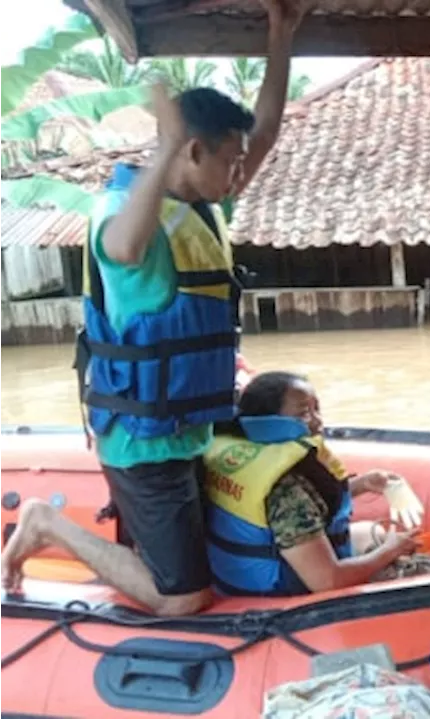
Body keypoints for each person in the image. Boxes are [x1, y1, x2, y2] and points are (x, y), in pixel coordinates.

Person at [0, 0, 302, 615]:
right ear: (191, 152)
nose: (240, 170)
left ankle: (125, 562)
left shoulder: (204, 206)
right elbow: (122, 246)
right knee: (185, 600)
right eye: (229, 159)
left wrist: (280, 35)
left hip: (184, 432)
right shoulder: (126, 211)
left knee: (184, 566)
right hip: (141, 444)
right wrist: (164, 144)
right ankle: (45, 524)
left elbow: (264, 129)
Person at [203, 371, 424, 596]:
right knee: (407, 560)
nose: (318, 421)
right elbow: (328, 580)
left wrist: (363, 484)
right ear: (270, 421)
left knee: (367, 531)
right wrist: (389, 551)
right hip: (283, 599)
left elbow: (280, 510)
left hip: (236, 578)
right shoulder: (287, 490)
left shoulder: (238, 454)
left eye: (316, 409)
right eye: (304, 413)